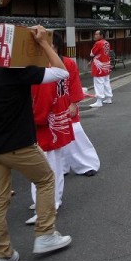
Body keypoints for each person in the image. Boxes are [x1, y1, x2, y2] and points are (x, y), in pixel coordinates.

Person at [0, 25, 72, 261]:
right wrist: (44, 44)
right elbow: (61, 72)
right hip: (19, 144)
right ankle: (45, 234)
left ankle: (1, 255)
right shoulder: (15, 71)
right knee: (46, 179)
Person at [26, 35, 77, 225]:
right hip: (57, 119)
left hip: (46, 125)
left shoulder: (42, 69)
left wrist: (34, 120)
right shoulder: (53, 67)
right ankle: (51, 201)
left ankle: (48, 204)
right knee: (54, 164)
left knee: (45, 167)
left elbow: (41, 104)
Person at [52, 33, 100, 178]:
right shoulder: (38, 65)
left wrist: (73, 104)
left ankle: (87, 164)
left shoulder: (68, 63)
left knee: (75, 134)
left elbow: (74, 85)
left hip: (66, 106)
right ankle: (61, 167)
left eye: (52, 46)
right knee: (54, 140)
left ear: (57, 47)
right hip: (50, 110)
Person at [88, 30, 113, 107]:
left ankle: (99, 101)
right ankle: (108, 98)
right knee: (106, 82)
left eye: (96, 34)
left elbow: (92, 53)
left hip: (99, 65)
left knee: (98, 83)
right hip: (106, 64)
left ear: (101, 35)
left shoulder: (98, 43)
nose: (95, 35)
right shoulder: (107, 43)